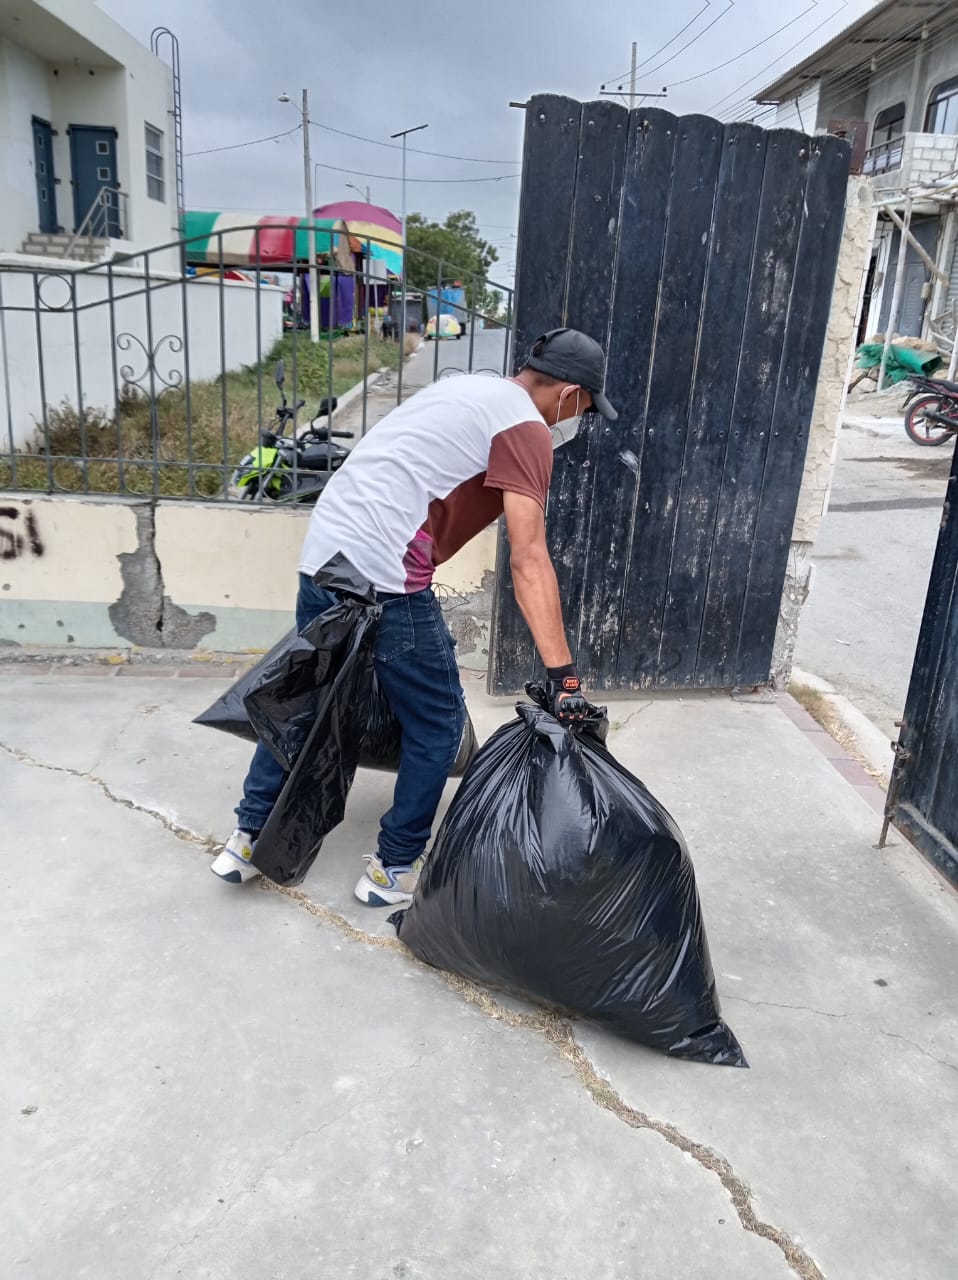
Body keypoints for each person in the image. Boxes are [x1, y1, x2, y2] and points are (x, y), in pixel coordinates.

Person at [210, 328, 618, 904]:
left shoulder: (466, 389)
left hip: (322, 555)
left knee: (307, 702)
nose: (578, 421)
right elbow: (529, 560)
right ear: (571, 393)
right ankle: (394, 868)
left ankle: (246, 839)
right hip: (386, 575)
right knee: (438, 726)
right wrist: (564, 677)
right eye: (585, 409)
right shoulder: (526, 427)